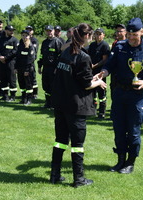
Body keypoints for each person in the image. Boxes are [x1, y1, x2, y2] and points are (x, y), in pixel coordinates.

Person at [98, 18, 143, 174]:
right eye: (129, 34)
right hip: (119, 93)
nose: (132, 38)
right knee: (119, 129)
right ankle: (120, 161)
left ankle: (130, 162)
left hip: (138, 95)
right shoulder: (120, 47)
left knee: (133, 131)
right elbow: (109, 65)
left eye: (135, 34)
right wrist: (104, 72)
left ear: (142, 32)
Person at [50, 23, 106, 187]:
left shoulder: (66, 52)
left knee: (60, 141)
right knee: (77, 145)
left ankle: (54, 175)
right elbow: (86, 84)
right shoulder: (83, 57)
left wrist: (92, 79)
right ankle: (79, 179)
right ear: (87, 36)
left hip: (61, 105)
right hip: (76, 107)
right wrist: (99, 82)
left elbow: (75, 78)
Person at [38, 25, 63, 109]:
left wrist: (57, 68)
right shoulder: (44, 42)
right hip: (45, 67)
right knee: (46, 86)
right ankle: (47, 103)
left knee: (53, 86)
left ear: (53, 31)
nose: (49, 32)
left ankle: (54, 104)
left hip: (54, 68)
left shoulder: (57, 42)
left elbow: (61, 56)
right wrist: (39, 66)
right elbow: (41, 55)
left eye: (50, 31)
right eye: (47, 31)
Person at [88, 28, 110, 118]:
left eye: (100, 34)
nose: (98, 36)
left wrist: (95, 65)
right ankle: (92, 109)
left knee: (101, 93)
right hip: (91, 71)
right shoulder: (92, 45)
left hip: (101, 72)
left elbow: (104, 60)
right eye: (96, 34)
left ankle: (102, 112)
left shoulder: (105, 45)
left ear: (103, 35)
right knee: (92, 92)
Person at [0, 25, 18, 102]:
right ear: (6, 31)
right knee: (3, 78)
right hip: (1, 62)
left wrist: (6, 57)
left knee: (12, 79)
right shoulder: (0, 40)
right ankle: (5, 95)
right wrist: (0, 56)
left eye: (12, 30)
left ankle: (12, 96)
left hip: (11, 62)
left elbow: (15, 51)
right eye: (10, 30)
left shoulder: (15, 40)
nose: (12, 32)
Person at [15, 30, 36, 106]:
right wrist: (16, 67)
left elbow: (31, 59)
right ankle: (23, 98)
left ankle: (29, 99)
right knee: (22, 84)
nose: (24, 37)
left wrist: (27, 70)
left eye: (26, 35)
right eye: (23, 35)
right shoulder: (20, 45)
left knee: (28, 85)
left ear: (29, 36)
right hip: (20, 68)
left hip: (28, 69)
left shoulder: (30, 46)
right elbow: (17, 57)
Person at [25, 25, 39, 99]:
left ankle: (35, 93)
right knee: (26, 79)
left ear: (32, 31)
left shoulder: (34, 40)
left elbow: (34, 51)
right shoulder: (24, 40)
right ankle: (27, 93)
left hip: (31, 61)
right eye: (27, 30)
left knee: (33, 78)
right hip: (25, 62)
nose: (28, 31)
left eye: (30, 30)